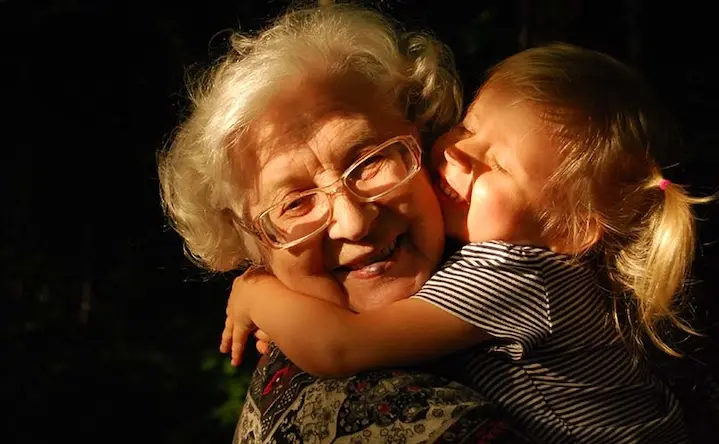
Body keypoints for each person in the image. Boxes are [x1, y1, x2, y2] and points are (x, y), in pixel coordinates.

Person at [221, 43, 704, 443]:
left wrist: (258, 293)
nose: (457, 151)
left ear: (569, 230)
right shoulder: (514, 261)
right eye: (469, 129)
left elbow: (338, 347)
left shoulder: (515, 272)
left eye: (500, 166)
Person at [158, 2, 531, 443]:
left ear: (424, 140)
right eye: (296, 204)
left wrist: (257, 291)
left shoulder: (520, 256)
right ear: (253, 249)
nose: (354, 223)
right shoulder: (383, 414)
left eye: (369, 161)